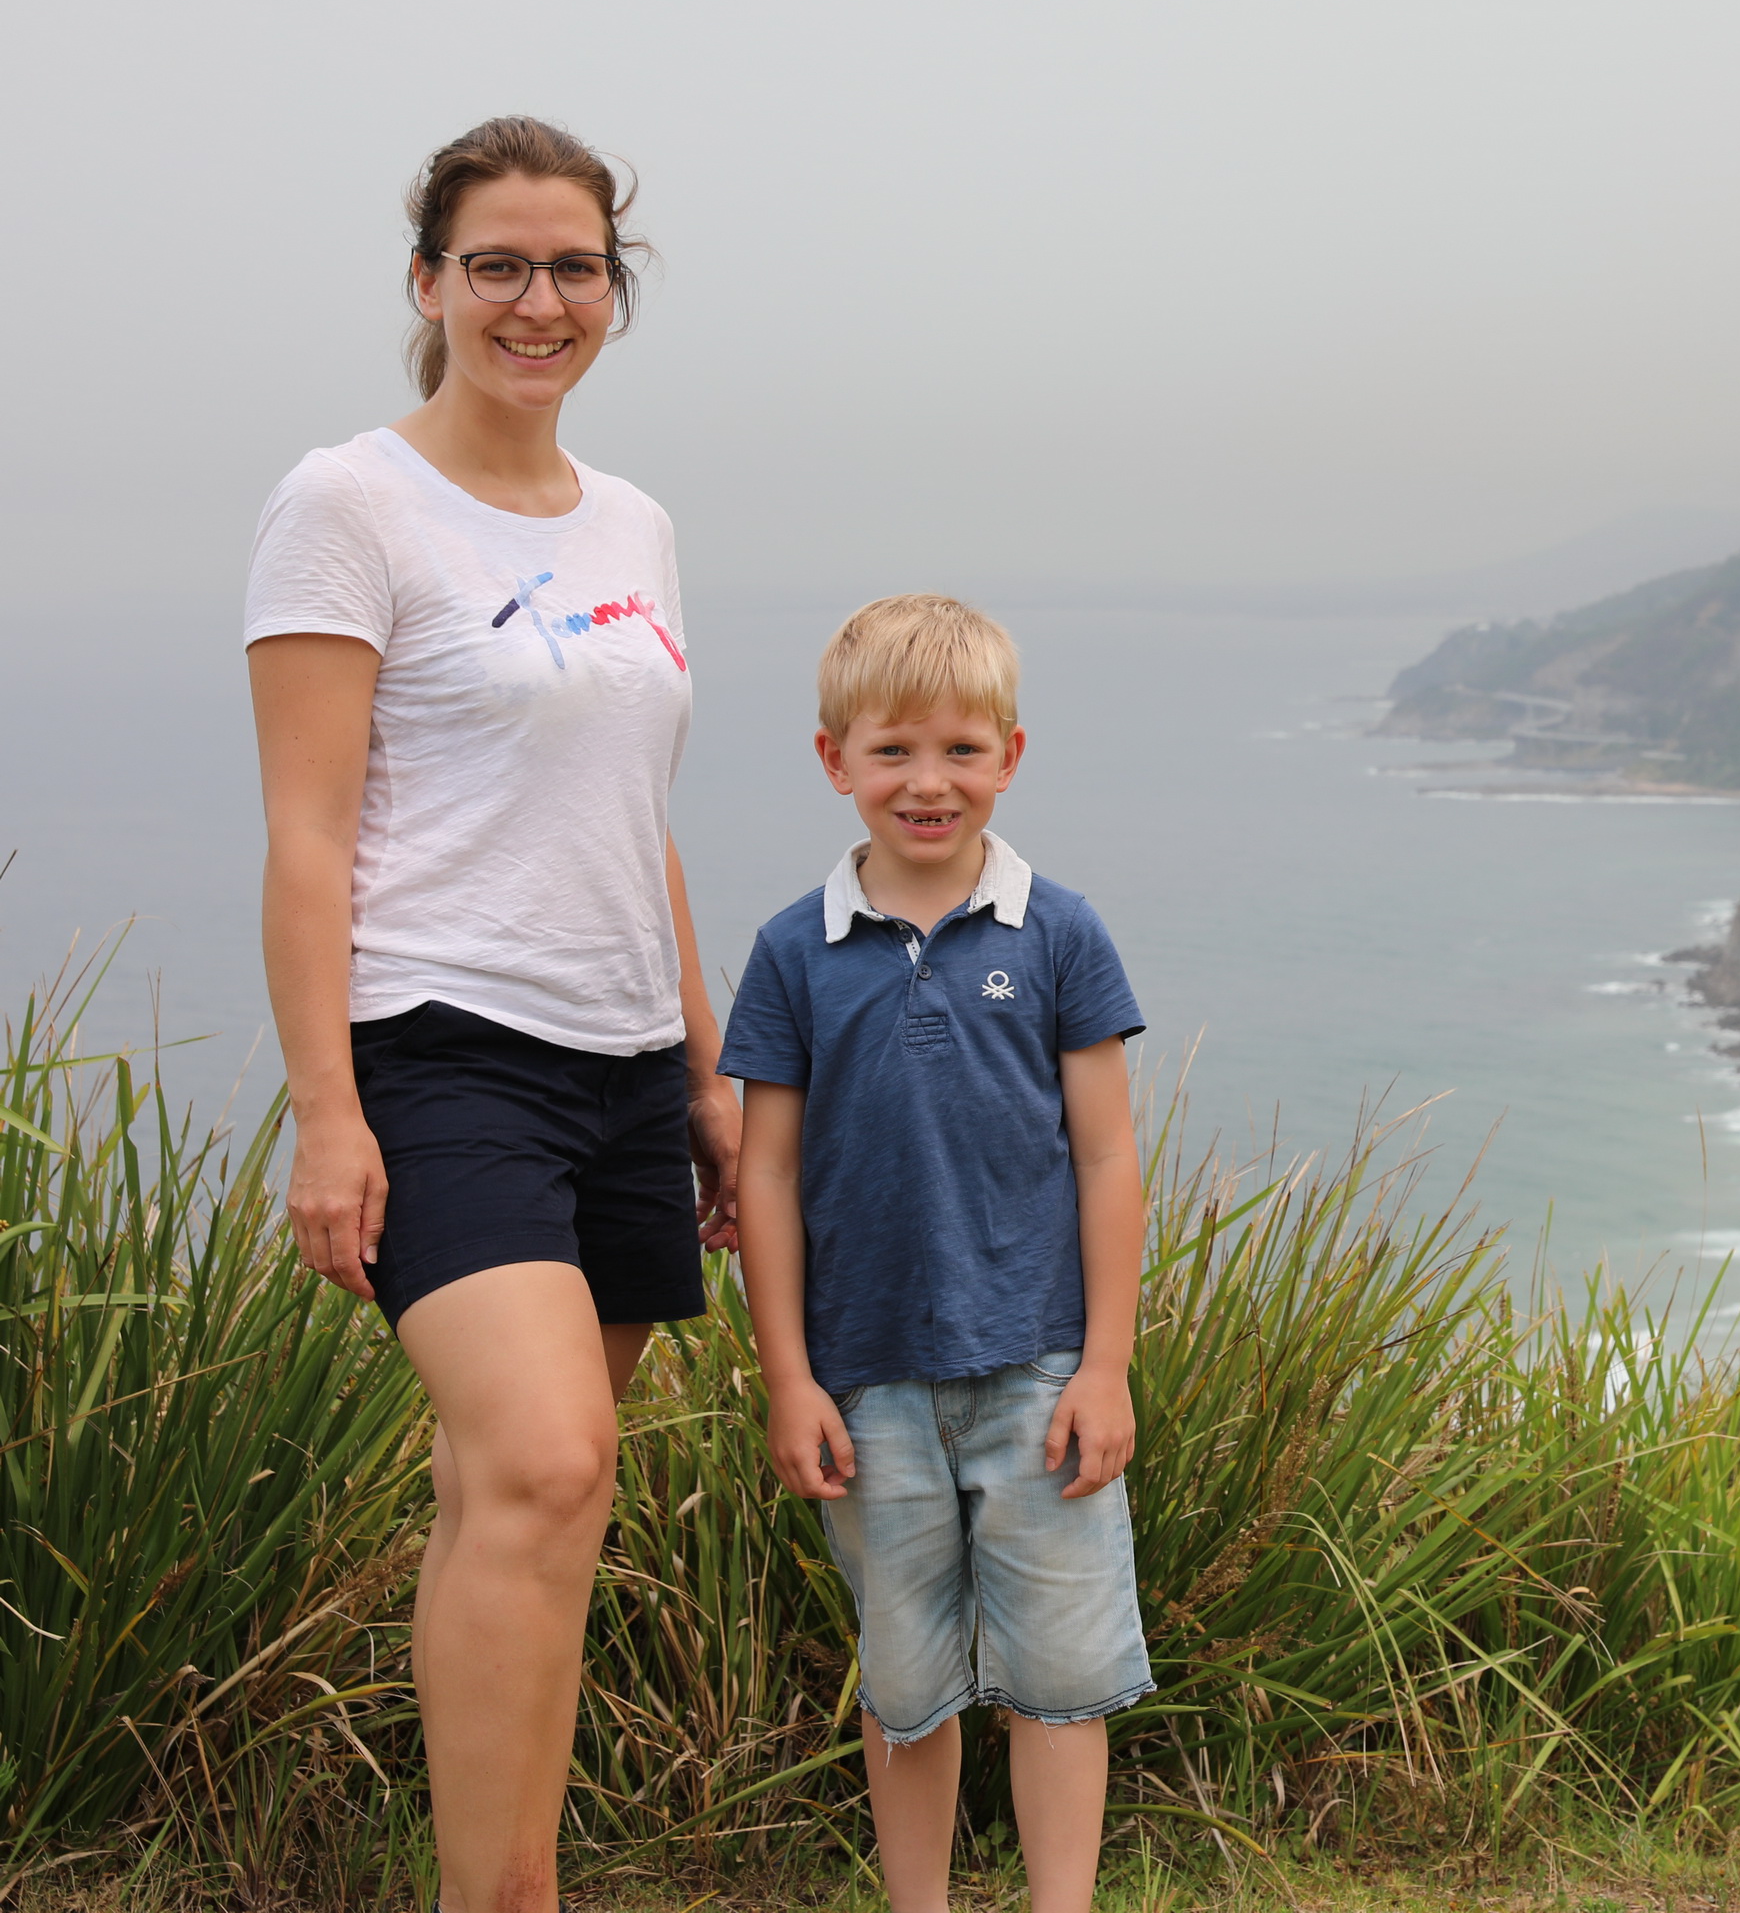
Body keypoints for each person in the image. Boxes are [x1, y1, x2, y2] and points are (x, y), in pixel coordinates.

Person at [244, 115, 740, 1913]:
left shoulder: (638, 523)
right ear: (431, 283)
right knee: (543, 1459)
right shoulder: (351, 501)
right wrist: (326, 1109)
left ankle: (508, 1882)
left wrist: (701, 1076)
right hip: (439, 1049)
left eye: (576, 267)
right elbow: (306, 829)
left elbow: (636, 821)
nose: (541, 301)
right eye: (499, 266)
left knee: (527, 1509)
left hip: (620, 1064)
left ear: (619, 285)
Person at [724, 594, 1153, 1913]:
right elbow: (767, 1175)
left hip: (1041, 1367)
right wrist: (789, 1378)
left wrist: (1109, 1368)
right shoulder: (794, 952)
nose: (928, 782)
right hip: (867, 1380)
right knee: (906, 1688)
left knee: (1061, 1681)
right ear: (833, 759)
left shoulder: (1061, 931)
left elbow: (1105, 1158)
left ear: (1010, 758)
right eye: (894, 750)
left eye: (963, 750)